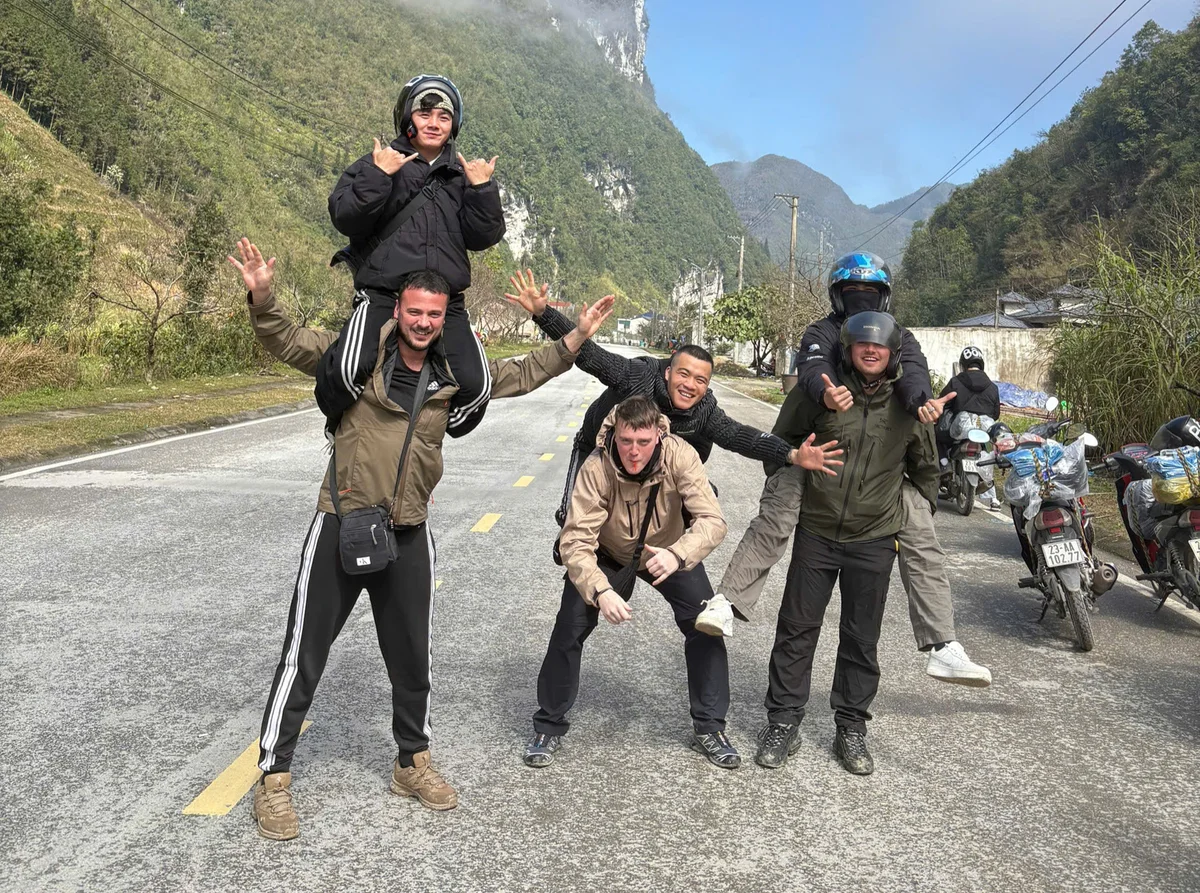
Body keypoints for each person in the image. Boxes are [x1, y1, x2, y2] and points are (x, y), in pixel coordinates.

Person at [227, 239, 612, 841]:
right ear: (397, 311)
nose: (425, 322)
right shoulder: (357, 361)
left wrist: (574, 338)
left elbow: (518, 375)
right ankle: (273, 777)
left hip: (408, 534)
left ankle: (412, 762)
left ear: (443, 318)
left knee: (412, 659)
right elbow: (286, 340)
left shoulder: (452, 376)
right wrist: (262, 294)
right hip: (342, 523)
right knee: (305, 654)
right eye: (415, 312)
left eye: (435, 314)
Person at [710, 252, 992, 687]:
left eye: (870, 296)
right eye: (852, 295)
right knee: (777, 515)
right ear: (839, 302)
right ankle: (728, 600)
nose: (863, 312)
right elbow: (812, 365)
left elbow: (916, 377)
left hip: (876, 498)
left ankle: (941, 645)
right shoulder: (823, 335)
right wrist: (827, 394)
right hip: (810, 466)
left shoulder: (901, 353)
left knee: (919, 526)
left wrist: (920, 403)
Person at [501, 270, 843, 620]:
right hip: (600, 452)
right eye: (683, 374)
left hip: (663, 470)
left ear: (708, 386)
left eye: (700, 380)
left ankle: (674, 559)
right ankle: (589, 564)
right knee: (573, 528)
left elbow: (743, 437)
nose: (689, 385)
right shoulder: (638, 376)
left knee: (699, 501)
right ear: (667, 371)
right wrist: (544, 313)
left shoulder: (706, 412)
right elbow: (591, 356)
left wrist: (790, 453)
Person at [756, 311, 939, 776]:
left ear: (893, 352)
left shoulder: (906, 404)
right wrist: (793, 473)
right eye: (862, 344)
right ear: (848, 348)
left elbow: (925, 467)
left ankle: (852, 728)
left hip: (874, 539)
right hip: (816, 531)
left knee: (861, 638)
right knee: (796, 629)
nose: (871, 350)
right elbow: (781, 443)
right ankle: (783, 721)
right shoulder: (820, 392)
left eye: (880, 345)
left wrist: (912, 514)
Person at [524, 396, 740, 769]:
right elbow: (574, 541)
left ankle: (710, 727)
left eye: (643, 442)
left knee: (706, 624)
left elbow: (712, 521)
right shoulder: (596, 465)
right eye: (626, 441)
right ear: (615, 436)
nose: (634, 452)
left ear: (658, 435)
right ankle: (548, 723)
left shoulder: (680, 455)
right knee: (569, 626)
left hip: (668, 551)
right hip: (608, 555)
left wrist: (678, 553)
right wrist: (600, 590)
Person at [316, 74, 504, 438]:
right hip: (385, 294)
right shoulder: (377, 162)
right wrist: (378, 174)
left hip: (443, 303)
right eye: (425, 113)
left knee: (477, 388)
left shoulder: (465, 176)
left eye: (444, 117)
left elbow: (484, 237)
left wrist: (482, 189)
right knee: (346, 371)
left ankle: (418, 439)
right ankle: (341, 423)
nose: (434, 123)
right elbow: (345, 217)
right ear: (408, 119)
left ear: (454, 126)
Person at [939, 346, 1003, 510]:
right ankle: (993, 498)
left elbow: (943, 401)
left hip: (961, 427)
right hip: (985, 430)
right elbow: (996, 413)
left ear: (963, 364)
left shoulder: (956, 381)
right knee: (989, 452)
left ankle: (945, 464)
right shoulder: (992, 387)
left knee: (936, 435)